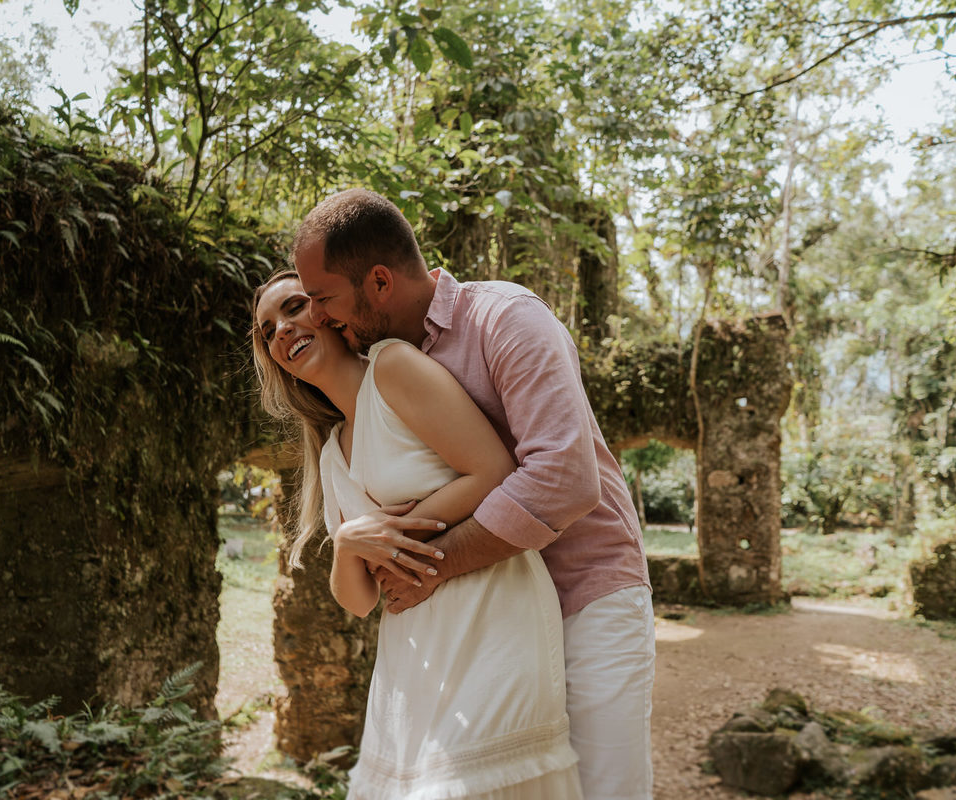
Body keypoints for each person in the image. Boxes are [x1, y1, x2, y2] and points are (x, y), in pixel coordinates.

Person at [292, 188, 655, 800]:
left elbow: (564, 476)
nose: (320, 317)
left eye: (324, 298)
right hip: (490, 626)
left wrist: (435, 564)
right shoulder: (378, 372)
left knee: (602, 789)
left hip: (585, 594)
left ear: (379, 281)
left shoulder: (506, 318)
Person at [252, 271, 584, 799]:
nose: (283, 330)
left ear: (329, 314)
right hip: (412, 651)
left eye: (295, 308)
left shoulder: (393, 367)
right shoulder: (332, 450)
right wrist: (347, 548)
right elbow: (359, 599)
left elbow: (493, 470)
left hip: (490, 612)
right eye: (267, 329)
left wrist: (390, 536)